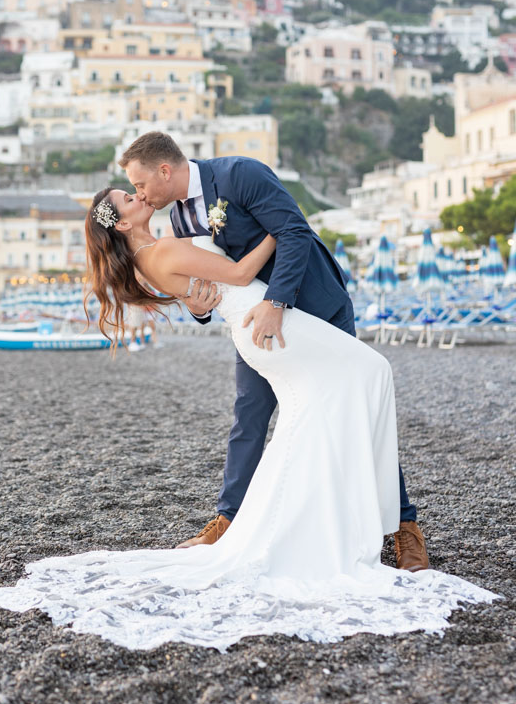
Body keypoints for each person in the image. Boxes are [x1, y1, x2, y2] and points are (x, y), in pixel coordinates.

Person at [0, 183, 495, 651]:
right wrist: (281, 228)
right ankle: (337, 521)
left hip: (258, 325)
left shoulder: (148, 255)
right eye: (129, 198)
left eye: (137, 189)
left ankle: (330, 516)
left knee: (327, 403)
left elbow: (202, 289)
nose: (138, 195)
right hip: (263, 320)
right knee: (368, 372)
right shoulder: (160, 248)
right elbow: (242, 273)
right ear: (123, 221)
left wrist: (203, 295)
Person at [119, 133, 428, 572]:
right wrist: (196, 306)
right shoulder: (177, 222)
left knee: (357, 401)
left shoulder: (239, 174)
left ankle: (403, 527)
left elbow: (294, 232)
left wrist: (276, 304)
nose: (139, 194)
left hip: (314, 306)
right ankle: (230, 520)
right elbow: (205, 283)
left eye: (140, 183)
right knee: (249, 413)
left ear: (164, 171)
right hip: (253, 324)